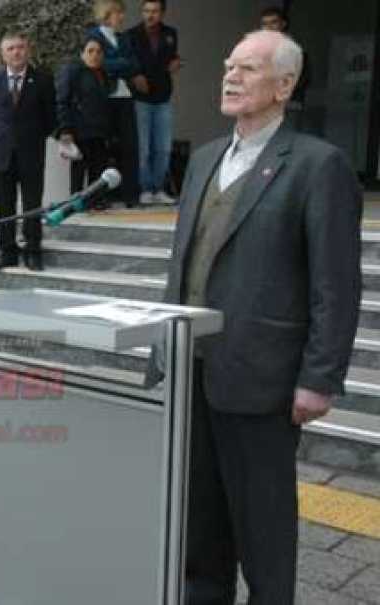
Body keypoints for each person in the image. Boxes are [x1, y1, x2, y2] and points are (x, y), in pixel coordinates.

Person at [153, 31, 362, 603]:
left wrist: (320, 377)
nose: (230, 76)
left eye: (247, 68)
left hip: (262, 375)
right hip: (192, 369)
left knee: (263, 523)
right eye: (228, 65)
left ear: (285, 85)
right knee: (200, 519)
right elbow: (183, 262)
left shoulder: (318, 165)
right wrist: (160, 350)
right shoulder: (201, 160)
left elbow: (336, 282)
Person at [0, 31, 56, 271]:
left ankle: (33, 250)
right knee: (5, 205)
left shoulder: (42, 80)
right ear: (3, 54)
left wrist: (30, 137)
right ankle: (7, 251)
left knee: (32, 203)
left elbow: (50, 119)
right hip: (3, 154)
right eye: (10, 48)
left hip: (31, 152)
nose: (16, 52)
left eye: (20, 47)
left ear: (28, 50)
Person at [87, 0, 146, 207]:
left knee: (129, 146)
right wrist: (121, 64)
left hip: (125, 98)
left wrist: (116, 64)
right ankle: (103, 196)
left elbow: (135, 64)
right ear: (107, 14)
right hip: (104, 99)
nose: (122, 17)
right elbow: (99, 64)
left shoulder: (124, 38)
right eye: (118, 13)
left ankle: (130, 195)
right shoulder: (92, 36)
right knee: (103, 148)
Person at [127, 0, 180, 205]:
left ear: (162, 13)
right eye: (147, 11)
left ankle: (158, 188)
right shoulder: (132, 35)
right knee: (143, 147)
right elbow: (128, 62)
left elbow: (171, 58)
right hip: (141, 97)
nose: (150, 15)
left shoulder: (170, 33)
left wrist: (175, 63)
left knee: (163, 147)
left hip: (163, 96)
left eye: (155, 11)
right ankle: (145, 188)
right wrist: (134, 76)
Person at [56, 37, 115, 209]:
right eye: (90, 51)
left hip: (99, 129)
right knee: (79, 168)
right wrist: (65, 129)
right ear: (82, 54)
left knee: (98, 167)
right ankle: (76, 203)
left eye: (98, 52)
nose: (95, 55)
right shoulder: (73, 71)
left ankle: (95, 200)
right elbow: (62, 101)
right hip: (79, 129)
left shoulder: (103, 74)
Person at [259, 6, 312, 126]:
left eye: (273, 22)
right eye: (265, 24)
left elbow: (303, 78)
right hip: (264, 106)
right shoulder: (259, 50)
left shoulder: (294, 49)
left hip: (288, 105)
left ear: (283, 24)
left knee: (285, 141)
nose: (269, 27)